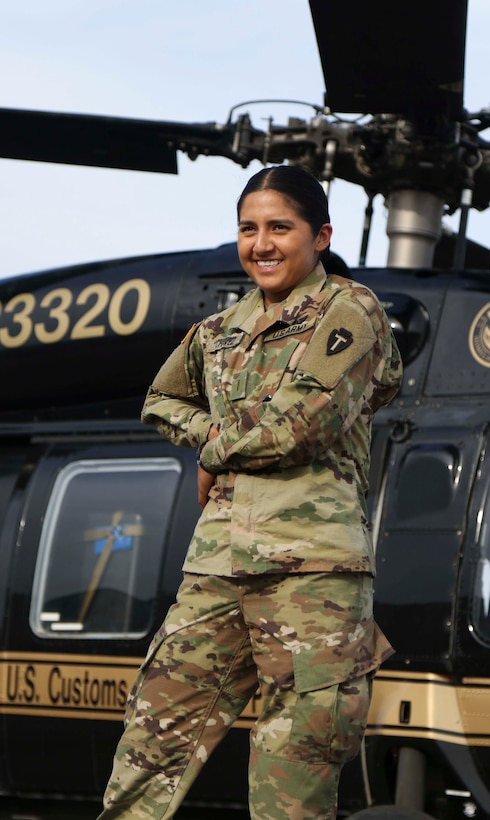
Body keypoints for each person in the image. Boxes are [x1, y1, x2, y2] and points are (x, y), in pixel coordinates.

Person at [98, 164, 402, 820]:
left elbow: (304, 427)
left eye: (279, 228)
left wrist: (211, 447)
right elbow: (159, 399)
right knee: (149, 744)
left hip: (310, 575)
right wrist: (216, 437)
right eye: (247, 228)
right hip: (215, 567)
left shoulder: (350, 310)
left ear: (319, 236)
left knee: (294, 768)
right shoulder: (217, 332)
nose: (260, 243)